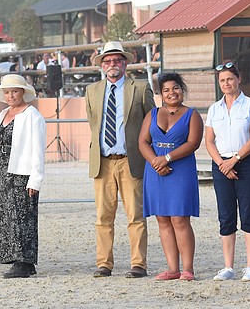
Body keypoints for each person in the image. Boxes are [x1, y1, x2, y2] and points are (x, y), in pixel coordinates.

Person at [85, 41, 155, 278]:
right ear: (102, 65)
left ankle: (138, 264)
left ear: (125, 63)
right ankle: (104, 263)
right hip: (103, 161)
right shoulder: (92, 90)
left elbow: (151, 123)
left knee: (135, 215)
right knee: (103, 217)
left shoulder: (141, 87)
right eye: (107, 61)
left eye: (116, 60)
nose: (112, 64)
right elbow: (93, 123)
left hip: (130, 160)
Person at [138, 72, 203, 281]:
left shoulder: (192, 115)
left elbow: (193, 143)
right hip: (155, 171)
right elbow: (142, 142)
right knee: (162, 219)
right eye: (166, 90)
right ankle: (172, 269)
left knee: (180, 218)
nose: (171, 93)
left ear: (182, 90)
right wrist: (156, 162)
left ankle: (188, 269)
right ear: (161, 94)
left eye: (175, 88)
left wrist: (166, 157)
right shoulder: (152, 114)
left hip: (180, 170)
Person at [205, 60, 250, 282]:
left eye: (230, 78)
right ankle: (228, 266)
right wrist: (222, 163)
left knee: (248, 212)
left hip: (246, 163)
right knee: (226, 215)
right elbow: (209, 141)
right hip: (221, 164)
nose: (226, 83)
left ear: (238, 79)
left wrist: (235, 160)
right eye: (222, 80)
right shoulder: (214, 109)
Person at [0, 74, 46, 278]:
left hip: (22, 172)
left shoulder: (32, 115)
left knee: (23, 216)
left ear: (23, 93)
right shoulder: (2, 114)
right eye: (7, 92)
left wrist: (35, 179)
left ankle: (24, 261)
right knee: (6, 216)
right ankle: (20, 260)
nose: (10, 95)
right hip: (3, 172)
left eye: (14, 91)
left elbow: (38, 150)